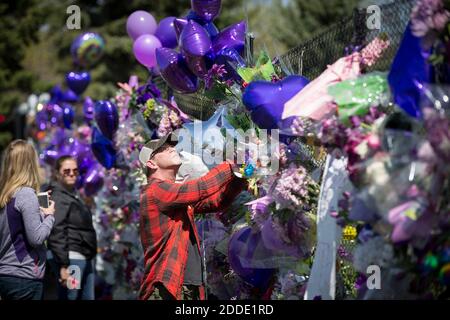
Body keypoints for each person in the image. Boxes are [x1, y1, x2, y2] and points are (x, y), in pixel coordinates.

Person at [138, 132, 247, 300]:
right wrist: (229, 165)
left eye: (171, 146)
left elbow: (216, 202)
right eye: (164, 148)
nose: (171, 149)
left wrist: (239, 177)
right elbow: (200, 188)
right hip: (167, 288)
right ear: (151, 163)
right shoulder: (155, 190)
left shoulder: (173, 197)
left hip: (185, 287)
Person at [0, 140, 55, 300]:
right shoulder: (26, 194)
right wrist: (50, 215)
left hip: (6, 274)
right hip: (23, 276)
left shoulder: (6, 195)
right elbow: (36, 238)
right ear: (29, 163)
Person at [44, 155, 97, 300]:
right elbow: (56, 230)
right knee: (71, 297)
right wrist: (64, 264)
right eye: (67, 171)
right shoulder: (59, 197)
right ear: (57, 173)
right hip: (71, 259)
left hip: (83, 256)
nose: (72, 173)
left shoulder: (71, 195)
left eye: (75, 170)